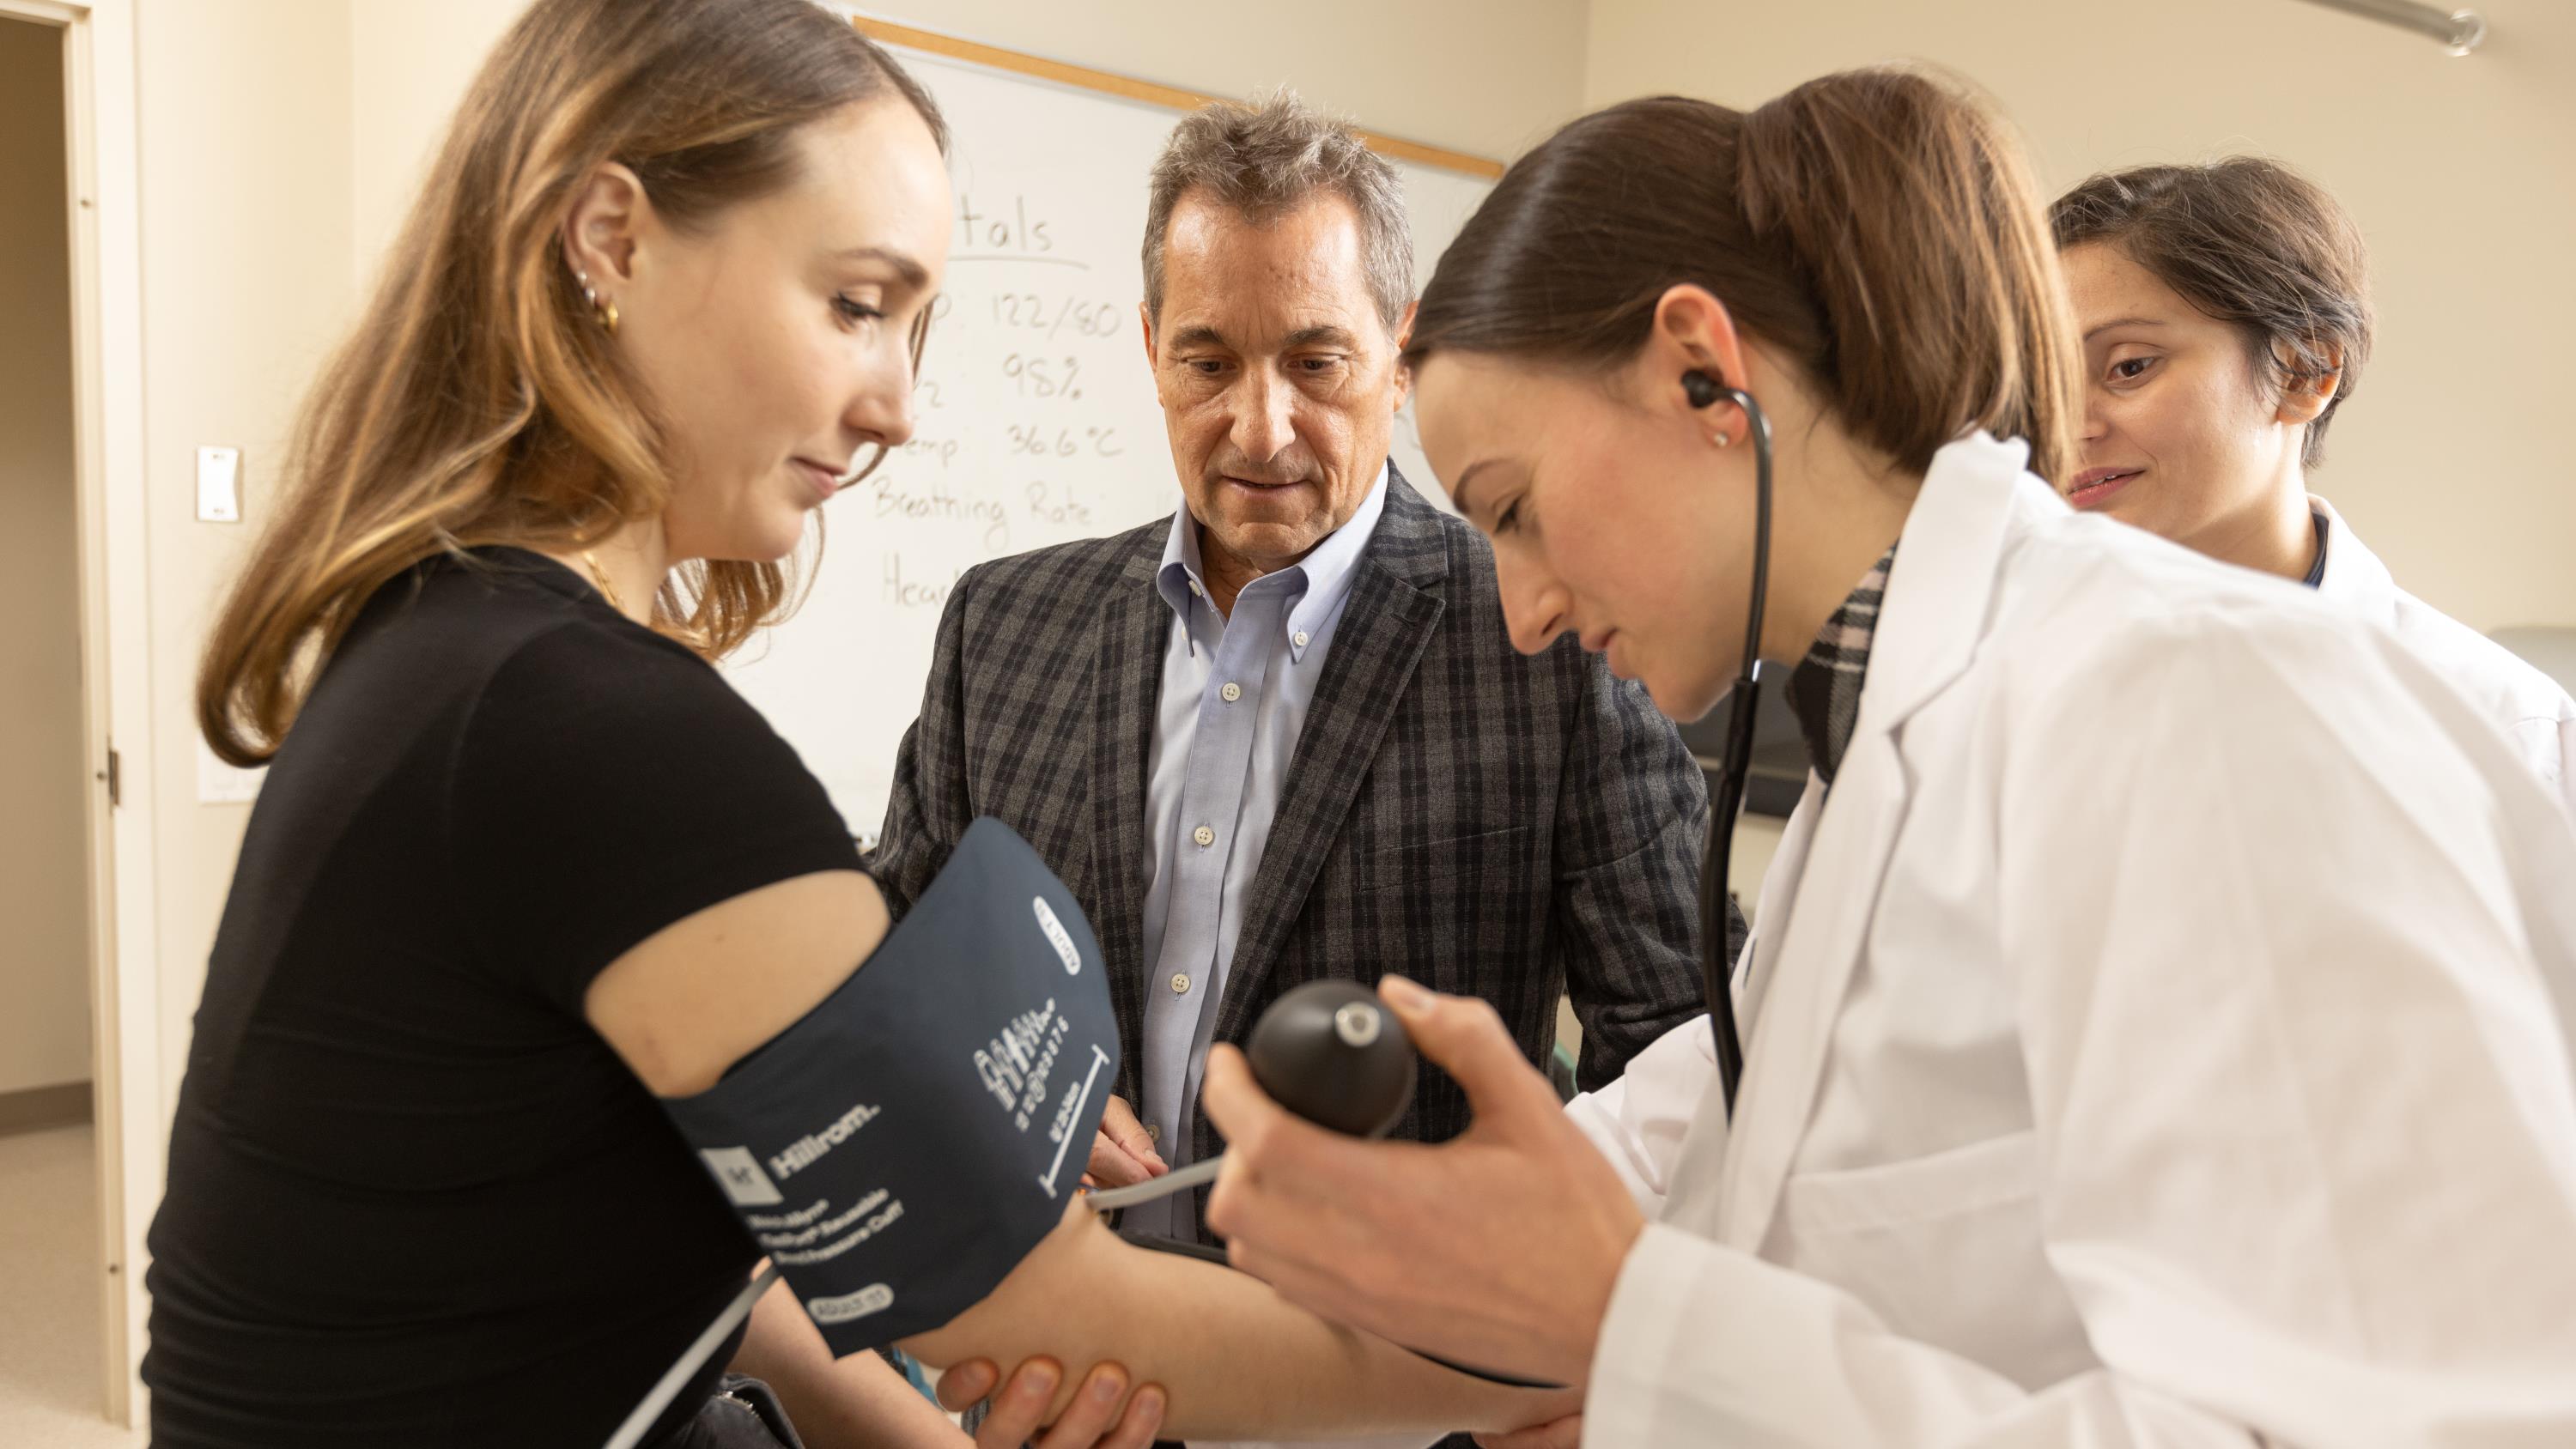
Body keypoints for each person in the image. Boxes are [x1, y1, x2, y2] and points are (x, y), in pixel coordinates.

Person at [144, 3, 1577, 1446]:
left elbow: (733, 1245)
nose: (896, 405)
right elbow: (1030, 1302)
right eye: (853, 304)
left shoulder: (448, 640)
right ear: (613, 242)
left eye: (916, 324)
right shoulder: (594, 732)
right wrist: (1555, 1380)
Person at [1191, 71, 2576, 1446]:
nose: (1524, 609)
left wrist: (1633, 1323)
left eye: (1517, 509)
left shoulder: (2192, 698)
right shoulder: (1887, 762)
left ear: (1704, 370)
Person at [870, 93, 1719, 1253]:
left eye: (1316, 363)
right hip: (1054, 1384)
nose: (1259, 429)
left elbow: (1681, 1048)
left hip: (1379, 1398)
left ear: (1400, 355)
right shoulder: (1002, 628)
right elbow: (897, 965)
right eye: (1207, 361)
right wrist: (988, 1084)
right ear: (1149, 347)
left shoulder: (1553, 639)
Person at [2053, 158, 2574, 815]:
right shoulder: (1987, 686)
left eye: (2128, 366)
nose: (2069, 426)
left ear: (2304, 371)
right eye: (2041, 381)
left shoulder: (2503, 732)